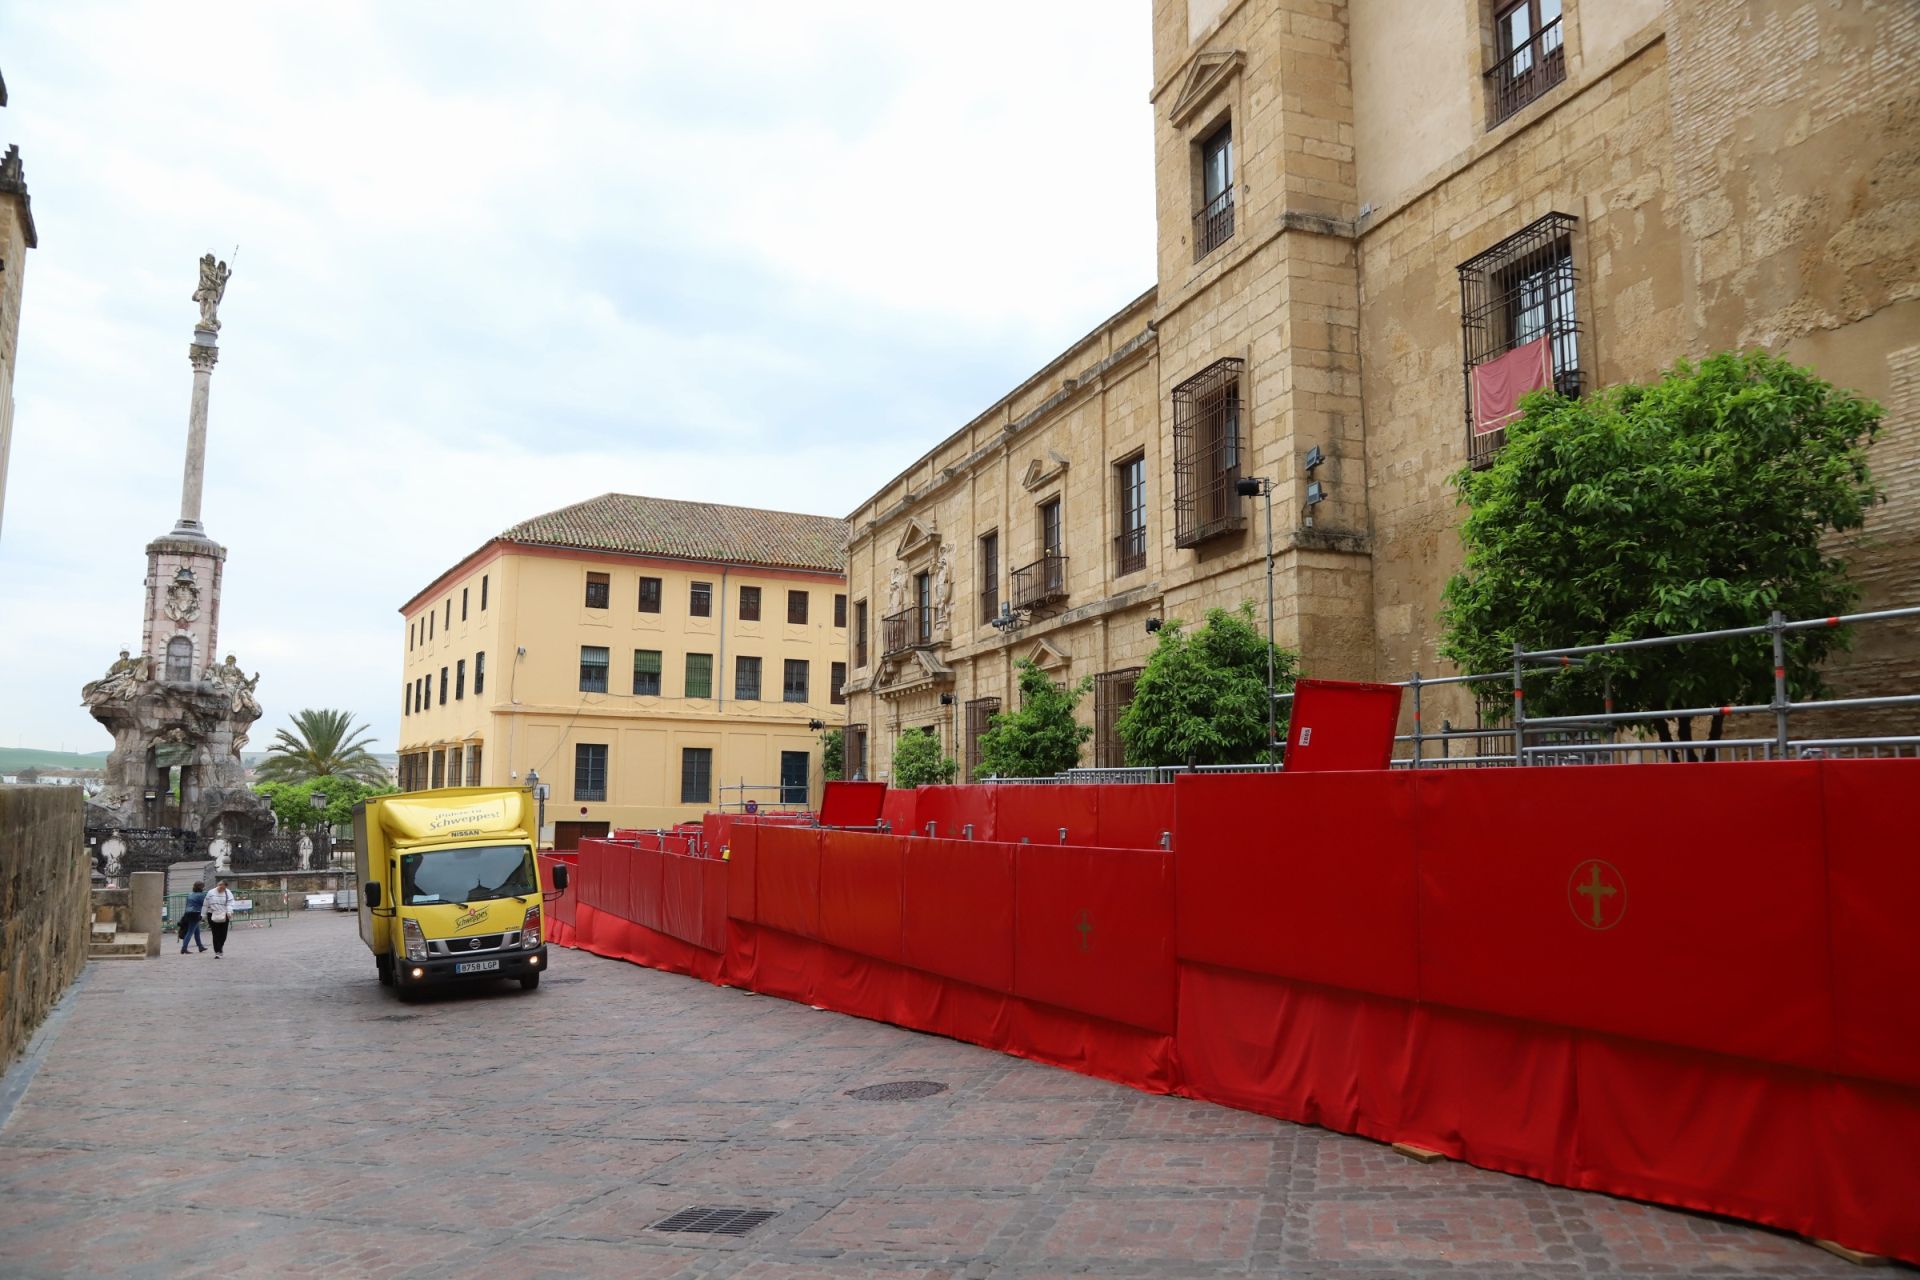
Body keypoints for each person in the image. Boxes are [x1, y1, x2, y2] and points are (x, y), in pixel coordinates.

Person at [204, 878, 239, 958]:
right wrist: (203, 914)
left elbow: (230, 903)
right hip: (212, 914)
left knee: (223, 934)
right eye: (219, 885)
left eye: (222, 887)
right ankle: (218, 951)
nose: (220, 888)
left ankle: (220, 947)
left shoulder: (228, 893)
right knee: (215, 934)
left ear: (225, 887)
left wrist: (229, 911)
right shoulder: (211, 892)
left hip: (224, 914)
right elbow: (205, 904)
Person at [177, 881, 209, 954]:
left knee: (196, 931)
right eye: (203, 887)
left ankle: (200, 946)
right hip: (195, 913)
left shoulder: (190, 894)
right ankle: (184, 948)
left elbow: (187, 904)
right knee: (190, 932)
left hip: (188, 913)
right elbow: (204, 904)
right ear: (201, 887)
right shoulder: (202, 895)